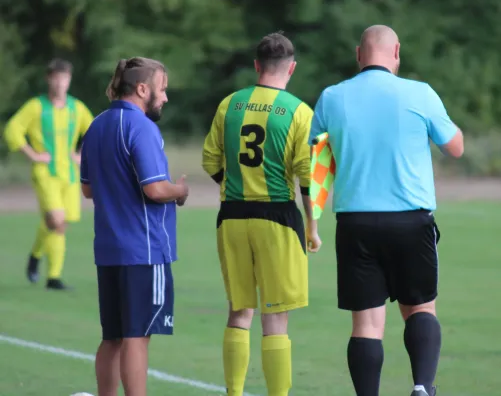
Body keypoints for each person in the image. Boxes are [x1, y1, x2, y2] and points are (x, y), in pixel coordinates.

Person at [309, 25, 464, 396]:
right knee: (421, 308)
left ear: (358, 55)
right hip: (411, 219)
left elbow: (317, 163)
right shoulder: (420, 93)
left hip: (355, 221)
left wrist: (312, 220)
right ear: (396, 52)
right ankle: (422, 387)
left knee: (365, 325)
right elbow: (454, 147)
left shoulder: (332, 97)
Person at [202, 31, 322, 396]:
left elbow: (210, 161)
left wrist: (236, 186)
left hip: (233, 216)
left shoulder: (229, 104)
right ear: (292, 68)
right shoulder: (300, 111)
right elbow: (308, 176)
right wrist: (312, 226)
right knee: (275, 316)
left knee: (239, 311)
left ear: (257, 66)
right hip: (278, 219)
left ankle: (234, 393)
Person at [79, 57, 189, 396]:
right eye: (162, 89)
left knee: (111, 337)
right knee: (137, 336)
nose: (165, 97)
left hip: (109, 250)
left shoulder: (97, 125)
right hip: (143, 250)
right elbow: (155, 189)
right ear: (143, 89)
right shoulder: (142, 127)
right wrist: (180, 191)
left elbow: (87, 188)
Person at [4, 58, 94, 290]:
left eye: (64, 78)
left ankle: (36, 256)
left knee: (59, 224)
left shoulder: (77, 108)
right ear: (48, 79)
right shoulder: (36, 106)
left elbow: (95, 131)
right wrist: (31, 154)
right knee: (57, 220)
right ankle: (53, 278)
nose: (60, 83)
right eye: (56, 78)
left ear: (69, 80)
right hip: (45, 173)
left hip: (70, 175)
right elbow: (13, 129)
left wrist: (81, 154)